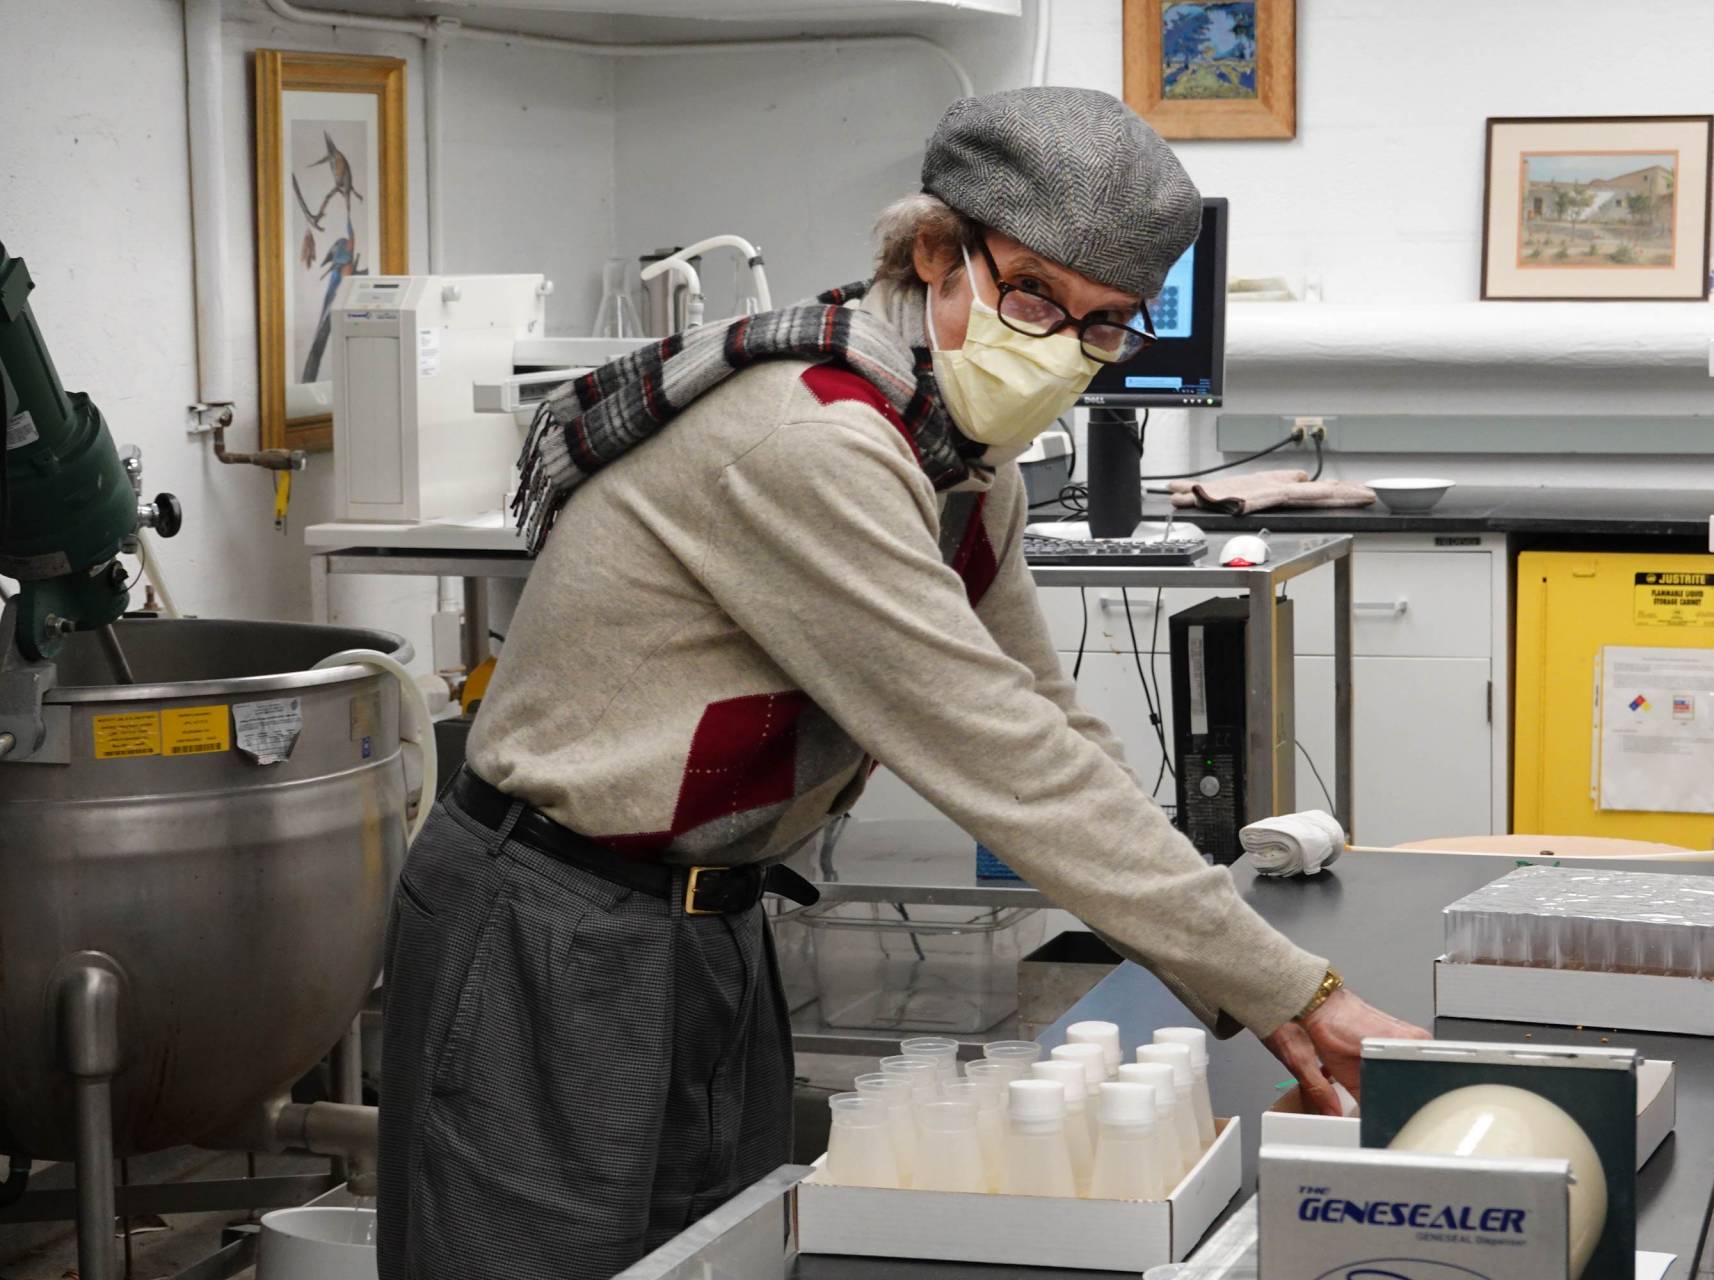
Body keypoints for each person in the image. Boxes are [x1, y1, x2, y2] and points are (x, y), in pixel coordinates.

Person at [375, 86, 1426, 1280]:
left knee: (713, 1260)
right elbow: (995, 754)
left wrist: (1256, 980)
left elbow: (1049, 722)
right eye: (1033, 293)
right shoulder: (815, 437)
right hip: (548, 924)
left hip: (709, 924)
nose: (1058, 345)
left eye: (1103, 325)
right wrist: (1295, 983)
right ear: (937, 251)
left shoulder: (967, 470)